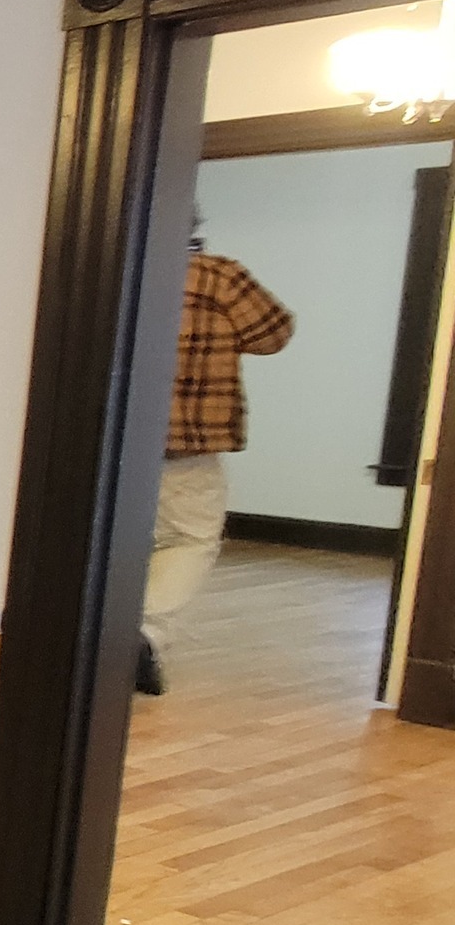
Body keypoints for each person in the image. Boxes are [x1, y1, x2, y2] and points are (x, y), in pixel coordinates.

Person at [139, 244, 293, 695]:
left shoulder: (102, 263)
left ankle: (88, 641)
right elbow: (274, 334)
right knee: (189, 538)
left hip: (103, 436)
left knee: (104, 542)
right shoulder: (217, 276)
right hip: (185, 441)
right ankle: (143, 633)